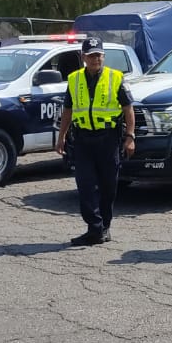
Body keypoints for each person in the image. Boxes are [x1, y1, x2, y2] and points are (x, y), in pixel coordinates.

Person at [55, 37, 135, 246]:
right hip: (82, 139)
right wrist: (62, 136)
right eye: (91, 55)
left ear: (104, 56)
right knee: (86, 185)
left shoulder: (115, 77)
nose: (95, 59)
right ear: (83, 57)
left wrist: (131, 137)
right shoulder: (74, 79)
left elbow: (128, 109)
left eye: (98, 55)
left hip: (108, 139)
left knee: (108, 186)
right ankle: (94, 227)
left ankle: (104, 227)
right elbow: (68, 110)